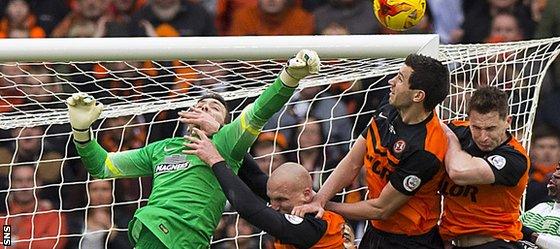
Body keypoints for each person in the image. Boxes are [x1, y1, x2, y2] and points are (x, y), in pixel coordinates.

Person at [66, 49, 320, 248]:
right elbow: (102, 166)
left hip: (185, 238)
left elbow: (260, 110)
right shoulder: (161, 148)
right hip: (150, 229)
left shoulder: (226, 144)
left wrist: (289, 77)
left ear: (224, 122)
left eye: (215, 108)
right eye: (201, 104)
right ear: (189, 113)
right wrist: (81, 132)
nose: (206, 108)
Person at [293, 53, 450, 249]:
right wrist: (320, 198)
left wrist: (325, 206)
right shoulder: (389, 106)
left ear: (418, 96)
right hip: (376, 231)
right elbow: (352, 161)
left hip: (410, 241)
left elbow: (381, 208)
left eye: (400, 79)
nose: (391, 82)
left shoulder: (426, 150)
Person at [183, 128, 356, 249]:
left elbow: (250, 209)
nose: (273, 205)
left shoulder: (311, 227)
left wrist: (215, 160)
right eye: (271, 199)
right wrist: (221, 131)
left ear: (307, 194)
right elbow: (255, 177)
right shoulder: (303, 208)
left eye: (281, 199)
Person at [439, 86, 530, 248]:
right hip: (452, 242)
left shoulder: (515, 158)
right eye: (476, 127)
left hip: (494, 243)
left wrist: (450, 140)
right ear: (469, 120)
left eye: (490, 128)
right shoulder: (458, 130)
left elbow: (458, 172)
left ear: (507, 122)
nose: (483, 137)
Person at [0, 164, 69, 249]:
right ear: (11, 184)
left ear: (39, 183)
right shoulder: (5, 218)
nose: (24, 185)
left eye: (30, 180)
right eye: (18, 180)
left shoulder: (53, 217)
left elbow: (53, 244)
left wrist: (15, 241)